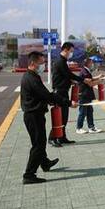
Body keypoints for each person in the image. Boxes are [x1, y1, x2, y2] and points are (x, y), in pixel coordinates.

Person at [21, 51, 76, 184]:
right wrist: (68, 103)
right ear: (33, 63)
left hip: (34, 115)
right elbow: (47, 95)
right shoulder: (32, 78)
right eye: (41, 63)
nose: (43, 66)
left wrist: (53, 100)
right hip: (33, 116)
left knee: (39, 142)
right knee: (38, 145)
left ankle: (45, 163)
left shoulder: (31, 76)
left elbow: (44, 96)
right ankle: (29, 175)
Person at [49, 42, 92, 147]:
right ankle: (52, 138)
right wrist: (83, 80)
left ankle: (62, 137)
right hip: (59, 92)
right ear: (66, 49)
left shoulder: (63, 61)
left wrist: (71, 82)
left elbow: (65, 76)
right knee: (59, 116)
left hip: (63, 91)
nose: (71, 53)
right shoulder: (60, 61)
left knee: (64, 116)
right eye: (71, 51)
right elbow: (68, 74)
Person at [76, 57, 104, 134]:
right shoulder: (84, 72)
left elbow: (90, 79)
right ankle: (79, 128)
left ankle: (91, 127)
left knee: (89, 112)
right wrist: (99, 81)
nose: (92, 64)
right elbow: (90, 83)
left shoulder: (85, 71)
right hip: (84, 95)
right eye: (91, 62)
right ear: (88, 63)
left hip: (87, 95)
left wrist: (98, 77)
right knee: (82, 112)